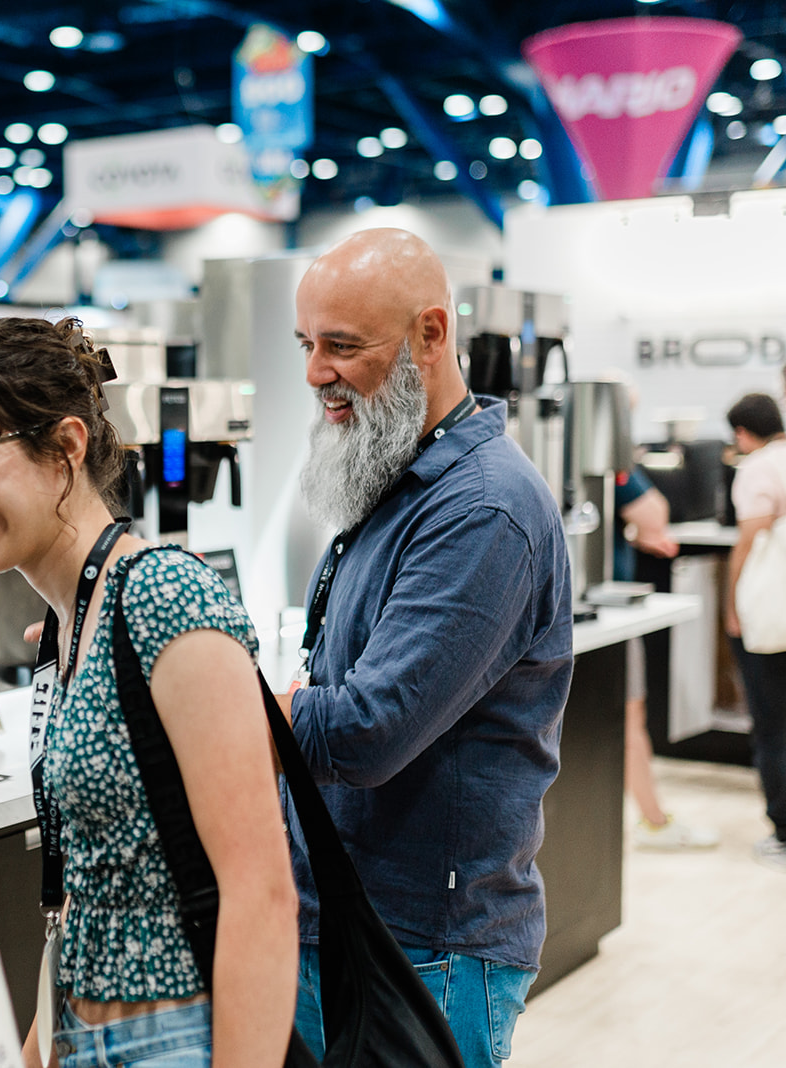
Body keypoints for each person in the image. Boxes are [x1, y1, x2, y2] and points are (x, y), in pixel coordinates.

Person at [0, 316, 297, 1068]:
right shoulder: (72, 621)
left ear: (67, 447)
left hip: (175, 1039)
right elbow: (89, 886)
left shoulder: (164, 595)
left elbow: (261, 896)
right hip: (86, 1036)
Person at [278, 229, 573, 1068]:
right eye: (307, 345)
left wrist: (214, 689)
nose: (315, 375)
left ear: (431, 335)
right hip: (350, 919)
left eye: (342, 347)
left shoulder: (483, 510)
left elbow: (368, 729)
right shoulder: (394, 480)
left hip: (426, 944)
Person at [616, 471, 720, 850]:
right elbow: (654, 513)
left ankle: (653, 818)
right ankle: (654, 821)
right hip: (610, 615)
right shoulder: (612, 457)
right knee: (629, 720)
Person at [723, 392, 786, 873]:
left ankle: (782, 828)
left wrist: (730, 605)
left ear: (743, 433)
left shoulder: (758, 468)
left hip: (769, 617)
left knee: (771, 722)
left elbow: (749, 540)